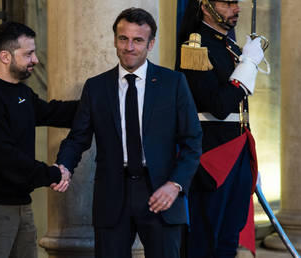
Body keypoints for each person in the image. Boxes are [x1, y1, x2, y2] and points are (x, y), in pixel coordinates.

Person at [56, 8, 202, 258]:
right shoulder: (96, 87)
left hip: (161, 193)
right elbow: (77, 138)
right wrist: (64, 166)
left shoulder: (173, 83)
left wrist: (175, 185)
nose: (129, 47)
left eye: (138, 40)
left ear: (151, 43)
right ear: (115, 40)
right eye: (123, 39)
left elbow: (193, 141)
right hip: (113, 193)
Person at [0, 21, 77, 258]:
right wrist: (52, 174)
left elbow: (53, 112)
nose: (35, 60)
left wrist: (98, 106)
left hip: (21, 205)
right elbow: (6, 157)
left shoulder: (21, 93)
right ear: (5, 56)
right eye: (28, 54)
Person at [175, 0, 264, 257]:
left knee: (229, 236)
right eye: (227, 3)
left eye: (236, 3)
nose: (236, 9)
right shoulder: (194, 47)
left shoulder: (231, 46)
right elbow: (218, 106)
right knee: (206, 239)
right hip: (211, 155)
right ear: (206, 7)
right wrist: (248, 64)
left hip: (237, 151)